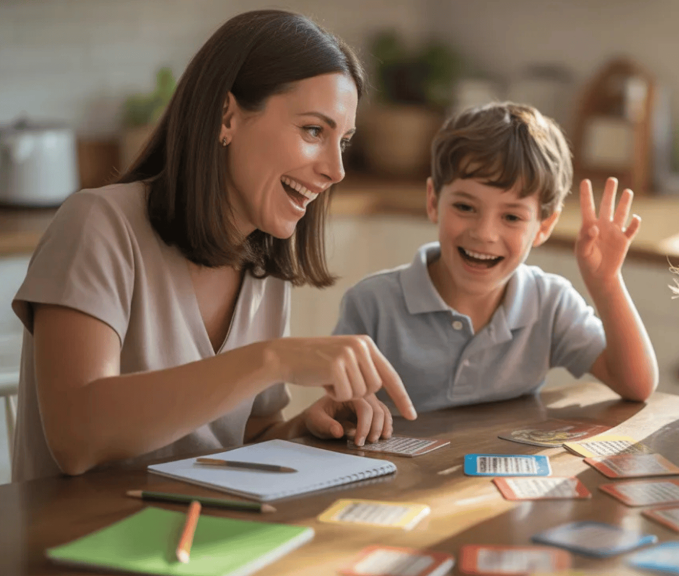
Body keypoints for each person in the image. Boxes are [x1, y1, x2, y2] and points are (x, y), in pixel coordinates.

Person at [10, 10, 415, 482]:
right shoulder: (98, 225)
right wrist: (273, 360)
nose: (336, 170)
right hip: (68, 546)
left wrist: (302, 429)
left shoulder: (265, 262)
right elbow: (76, 437)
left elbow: (242, 440)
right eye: (313, 131)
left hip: (201, 537)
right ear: (227, 116)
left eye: (342, 141)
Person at [333, 102, 658, 413]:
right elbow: (339, 411)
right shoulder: (371, 306)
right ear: (433, 201)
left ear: (544, 226)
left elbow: (637, 385)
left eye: (512, 217)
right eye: (465, 207)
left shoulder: (550, 304)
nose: (485, 233)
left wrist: (606, 283)